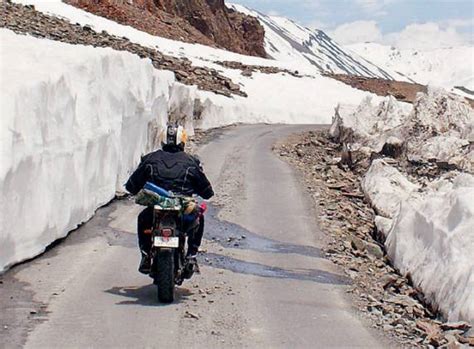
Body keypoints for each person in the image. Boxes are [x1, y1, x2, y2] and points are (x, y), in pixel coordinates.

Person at [125, 124, 214, 274]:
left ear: (163, 140)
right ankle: (192, 255)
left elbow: (131, 186)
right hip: (183, 208)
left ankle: (146, 255)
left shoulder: (150, 159)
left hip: (157, 208)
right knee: (198, 218)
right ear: (182, 141)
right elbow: (207, 192)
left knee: (143, 219)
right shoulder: (191, 162)